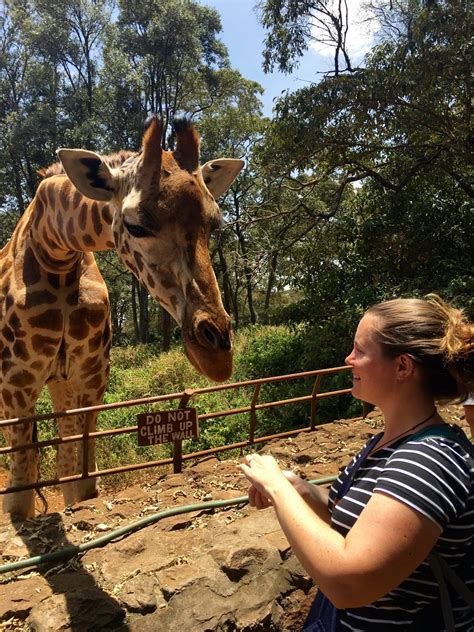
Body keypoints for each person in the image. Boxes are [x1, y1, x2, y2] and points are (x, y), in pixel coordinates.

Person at [239, 294, 474, 631]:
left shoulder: (428, 460)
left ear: (402, 367)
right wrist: (302, 491)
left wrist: (278, 490)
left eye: (360, 350)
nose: (349, 359)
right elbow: (357, 524)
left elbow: (349, 584)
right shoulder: (387, 442)